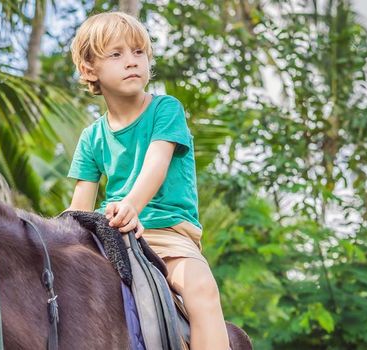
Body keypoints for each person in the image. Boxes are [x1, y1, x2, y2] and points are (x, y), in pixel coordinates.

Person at [65, 11, 229, 350]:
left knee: (200, 289)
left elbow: (156, 163)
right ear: (89, 69)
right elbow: (79, 207)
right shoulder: (91, 137)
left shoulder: (165, 109)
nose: (131, 62)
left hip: (167, 235)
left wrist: (131, 207)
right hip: (114, 238)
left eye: (138, 52)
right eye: (116, 54)